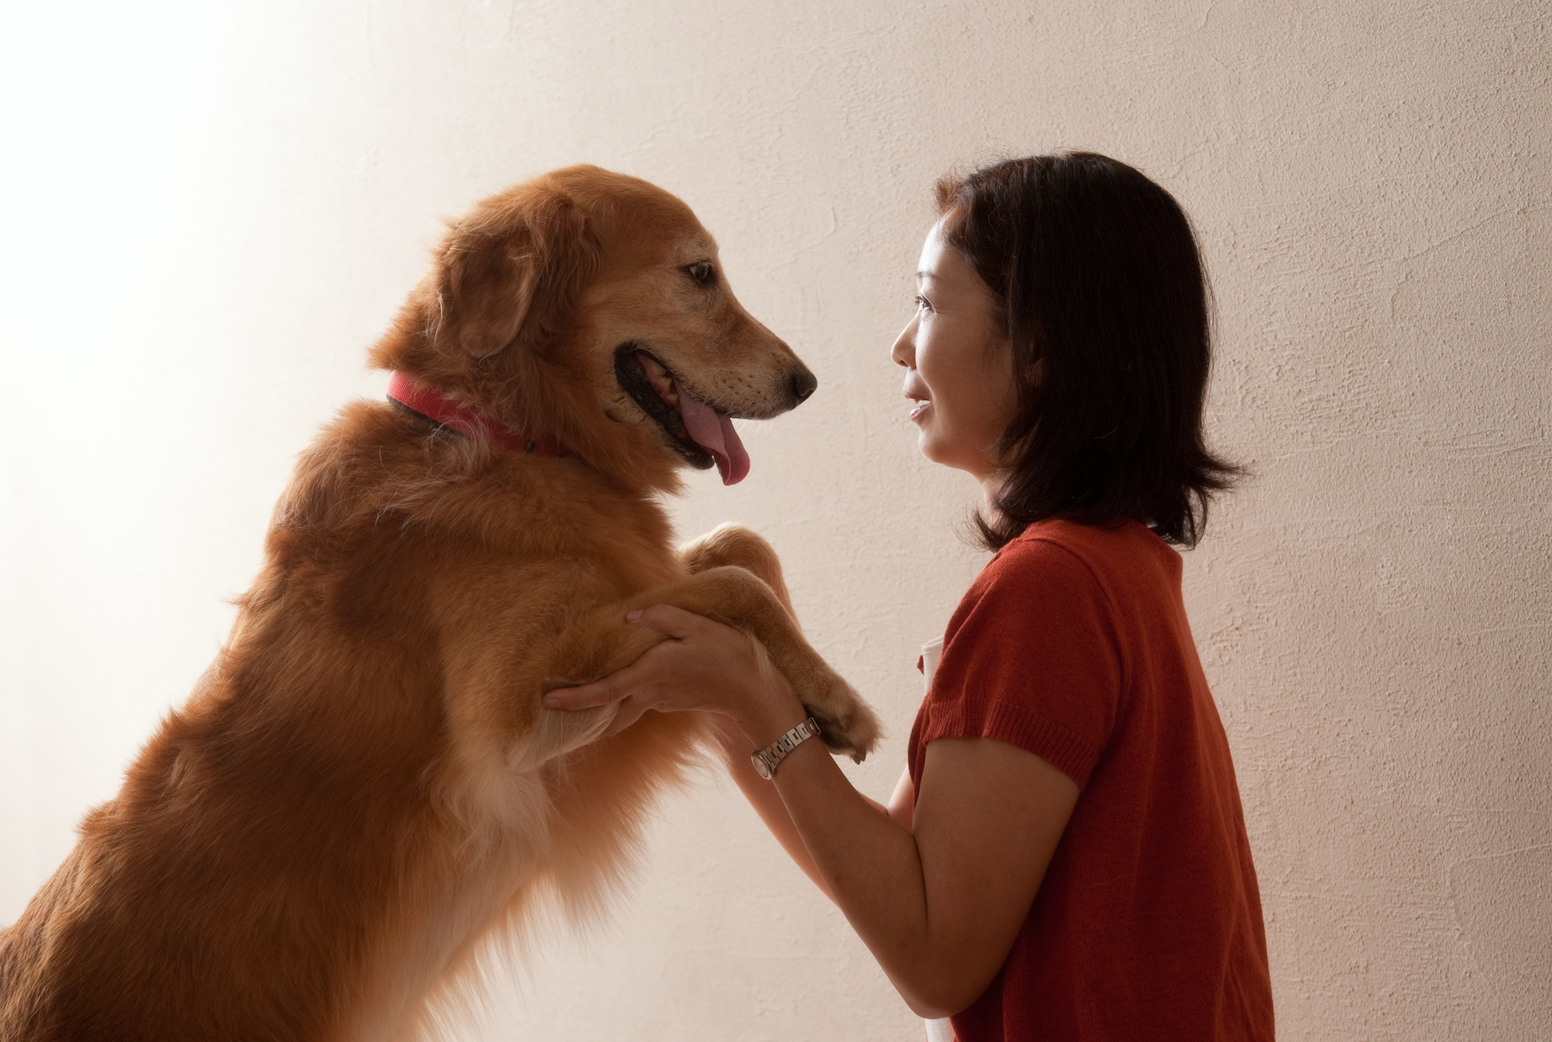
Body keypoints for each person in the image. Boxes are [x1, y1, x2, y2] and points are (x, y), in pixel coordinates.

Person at [544, 151, 1274, 1041]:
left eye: (928, 303)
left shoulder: (1049, 591)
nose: (900, 343)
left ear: (1040, 346)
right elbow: (889, 875)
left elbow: (933, 962)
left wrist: (755, 691)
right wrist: (740, 683)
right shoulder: (1116, 569)